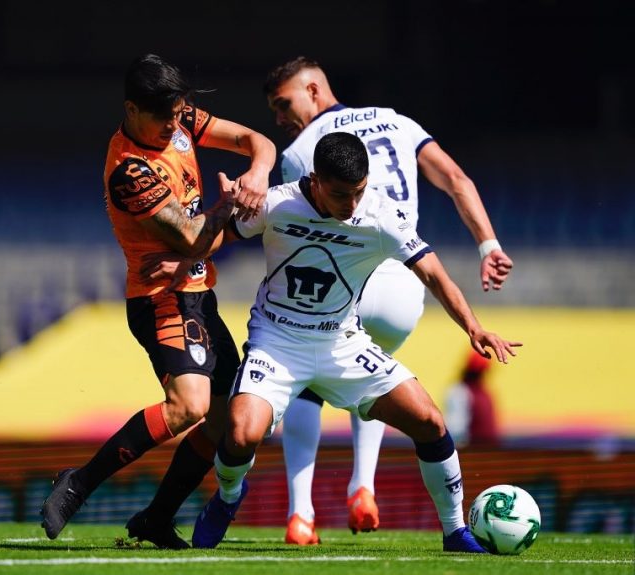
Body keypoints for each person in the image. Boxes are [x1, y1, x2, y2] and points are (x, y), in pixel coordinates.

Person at [190, 132, 521, 552]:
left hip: (342, 343)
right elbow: (217, 239)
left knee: (430, 422)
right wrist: (219, 215)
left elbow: (433, 274)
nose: (351, 204)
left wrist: (474, 327)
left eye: (358, 192)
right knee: (240, 435)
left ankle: (455, 532)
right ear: (315, 181)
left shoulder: (381, 215)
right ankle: (228, 498)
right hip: (277, 342)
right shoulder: (277, 203)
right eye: (340, 194)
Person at [262, 56, 514, 544]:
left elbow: (295, 233)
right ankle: (363, 485)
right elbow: (457, 180)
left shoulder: (304, 150)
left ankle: (301, 513)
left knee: (306, 383)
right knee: (374, 379)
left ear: (312, 90)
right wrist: (488, 245)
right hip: (404, 290)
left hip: (347, 280)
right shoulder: (398, 121)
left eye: (282, 103)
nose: (279, 116)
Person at [39, 53, 276, 548]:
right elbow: (192, 236)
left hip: (198, 295)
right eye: (164, 116)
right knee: (189, 405)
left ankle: (156, 517)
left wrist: (257, 173)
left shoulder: (179, 116)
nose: (175, 124)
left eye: (178, 113)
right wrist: (227, 207)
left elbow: (258, 141)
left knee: (224, 421)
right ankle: (79, 483)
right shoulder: (129, 170)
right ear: (131, 109)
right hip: (160, 299)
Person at [445, 349, 499, 447]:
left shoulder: (484, 392)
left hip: (489, 449)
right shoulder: (459, 392)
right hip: (471, 451)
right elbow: (456, 429)